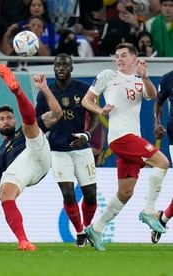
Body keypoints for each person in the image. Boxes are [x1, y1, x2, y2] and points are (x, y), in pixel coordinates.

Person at [81, 42, 169, 251]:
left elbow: (152, 96)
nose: (118, 59)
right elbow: (87, 100)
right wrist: (101, 109)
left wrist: (145, 76)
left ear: (133, 59)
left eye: (122, 56)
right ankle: (149, 210)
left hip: (131, 137)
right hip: (121, 137)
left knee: (125, 192)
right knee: (163, 162)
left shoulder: (139, 81)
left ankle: (96, 229)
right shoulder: (107, 75)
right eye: (117, 56)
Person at [0, 64, 63, 250]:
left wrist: (44, 88)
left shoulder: (21, 131)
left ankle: (17, 92)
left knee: (31, 128)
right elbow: (5, 191)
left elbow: (58, 113)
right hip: (25, 171)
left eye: (9, 117)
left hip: (37, 153)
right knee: (6, 194)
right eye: (1, 119)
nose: (6, 121)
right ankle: (23, 241)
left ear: (14, 119)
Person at [35, 54, 99, 247]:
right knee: (68, 194)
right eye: (58, 65)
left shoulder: (82, 89)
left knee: (91, 195)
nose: (61, 67)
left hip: (82, 148)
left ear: (71, 68)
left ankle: (88, 228)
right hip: (58, 150)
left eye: (65, 64)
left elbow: (95, 114)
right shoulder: (46, 92)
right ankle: (80, 233)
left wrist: (87, 135)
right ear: (54, 68)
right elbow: (38, 123)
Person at [152, 70, 173, 243]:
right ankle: (162, 219)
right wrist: (157, 122)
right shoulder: (167, 78)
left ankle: (162, 219)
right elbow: (159, 103)